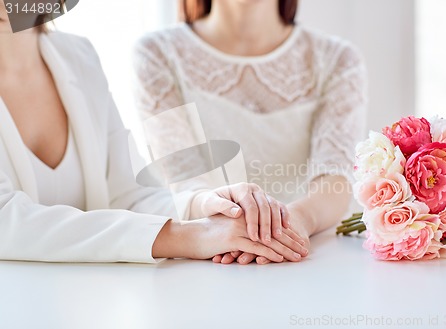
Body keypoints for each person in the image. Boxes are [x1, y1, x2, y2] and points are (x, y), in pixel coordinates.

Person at [0, 0, 308, 263]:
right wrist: (191, 237)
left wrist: (206, 206)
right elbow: (6, 221)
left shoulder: (78, 56)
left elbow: (128, 196)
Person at [133, 0, 368, 264]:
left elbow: (336, 179)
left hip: (307, 258)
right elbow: (182, 179)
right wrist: (225, 225)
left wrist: (290, 223)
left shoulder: (337, 59)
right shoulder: (157, 53)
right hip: (202, 263)